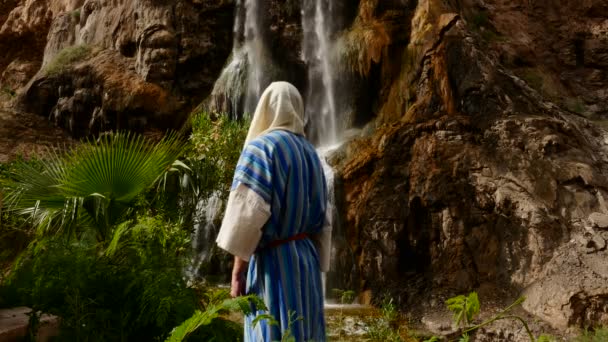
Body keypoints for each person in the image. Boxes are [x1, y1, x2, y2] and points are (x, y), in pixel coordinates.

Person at [216, 81, 331, 341]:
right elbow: (324, 217)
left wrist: (237, 272)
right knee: (304, 331)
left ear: (265, 108)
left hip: (274, 262)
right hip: (306, 261)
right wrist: (320, 260)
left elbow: (248, 215)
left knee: (272, 328)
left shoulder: (261, 148)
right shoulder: (312, 154)